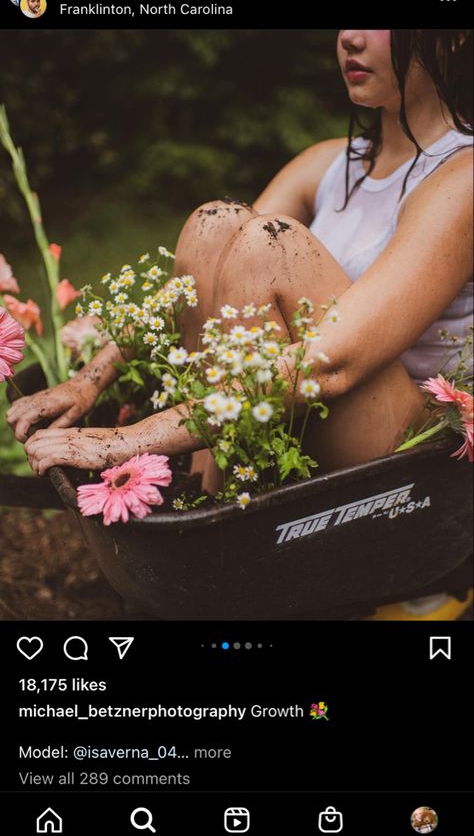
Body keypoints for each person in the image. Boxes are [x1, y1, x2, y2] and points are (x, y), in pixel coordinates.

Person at [7, 30, 473, 495]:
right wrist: (91, 379)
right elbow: (203, 280)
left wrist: (128, 439)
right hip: (301, 407)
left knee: (272, 245)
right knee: (215, 224)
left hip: (402, 442)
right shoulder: (329, 164)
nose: (350, 37)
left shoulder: (463, 178)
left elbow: (330, 364)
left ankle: (213, 505)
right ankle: (205, 485)